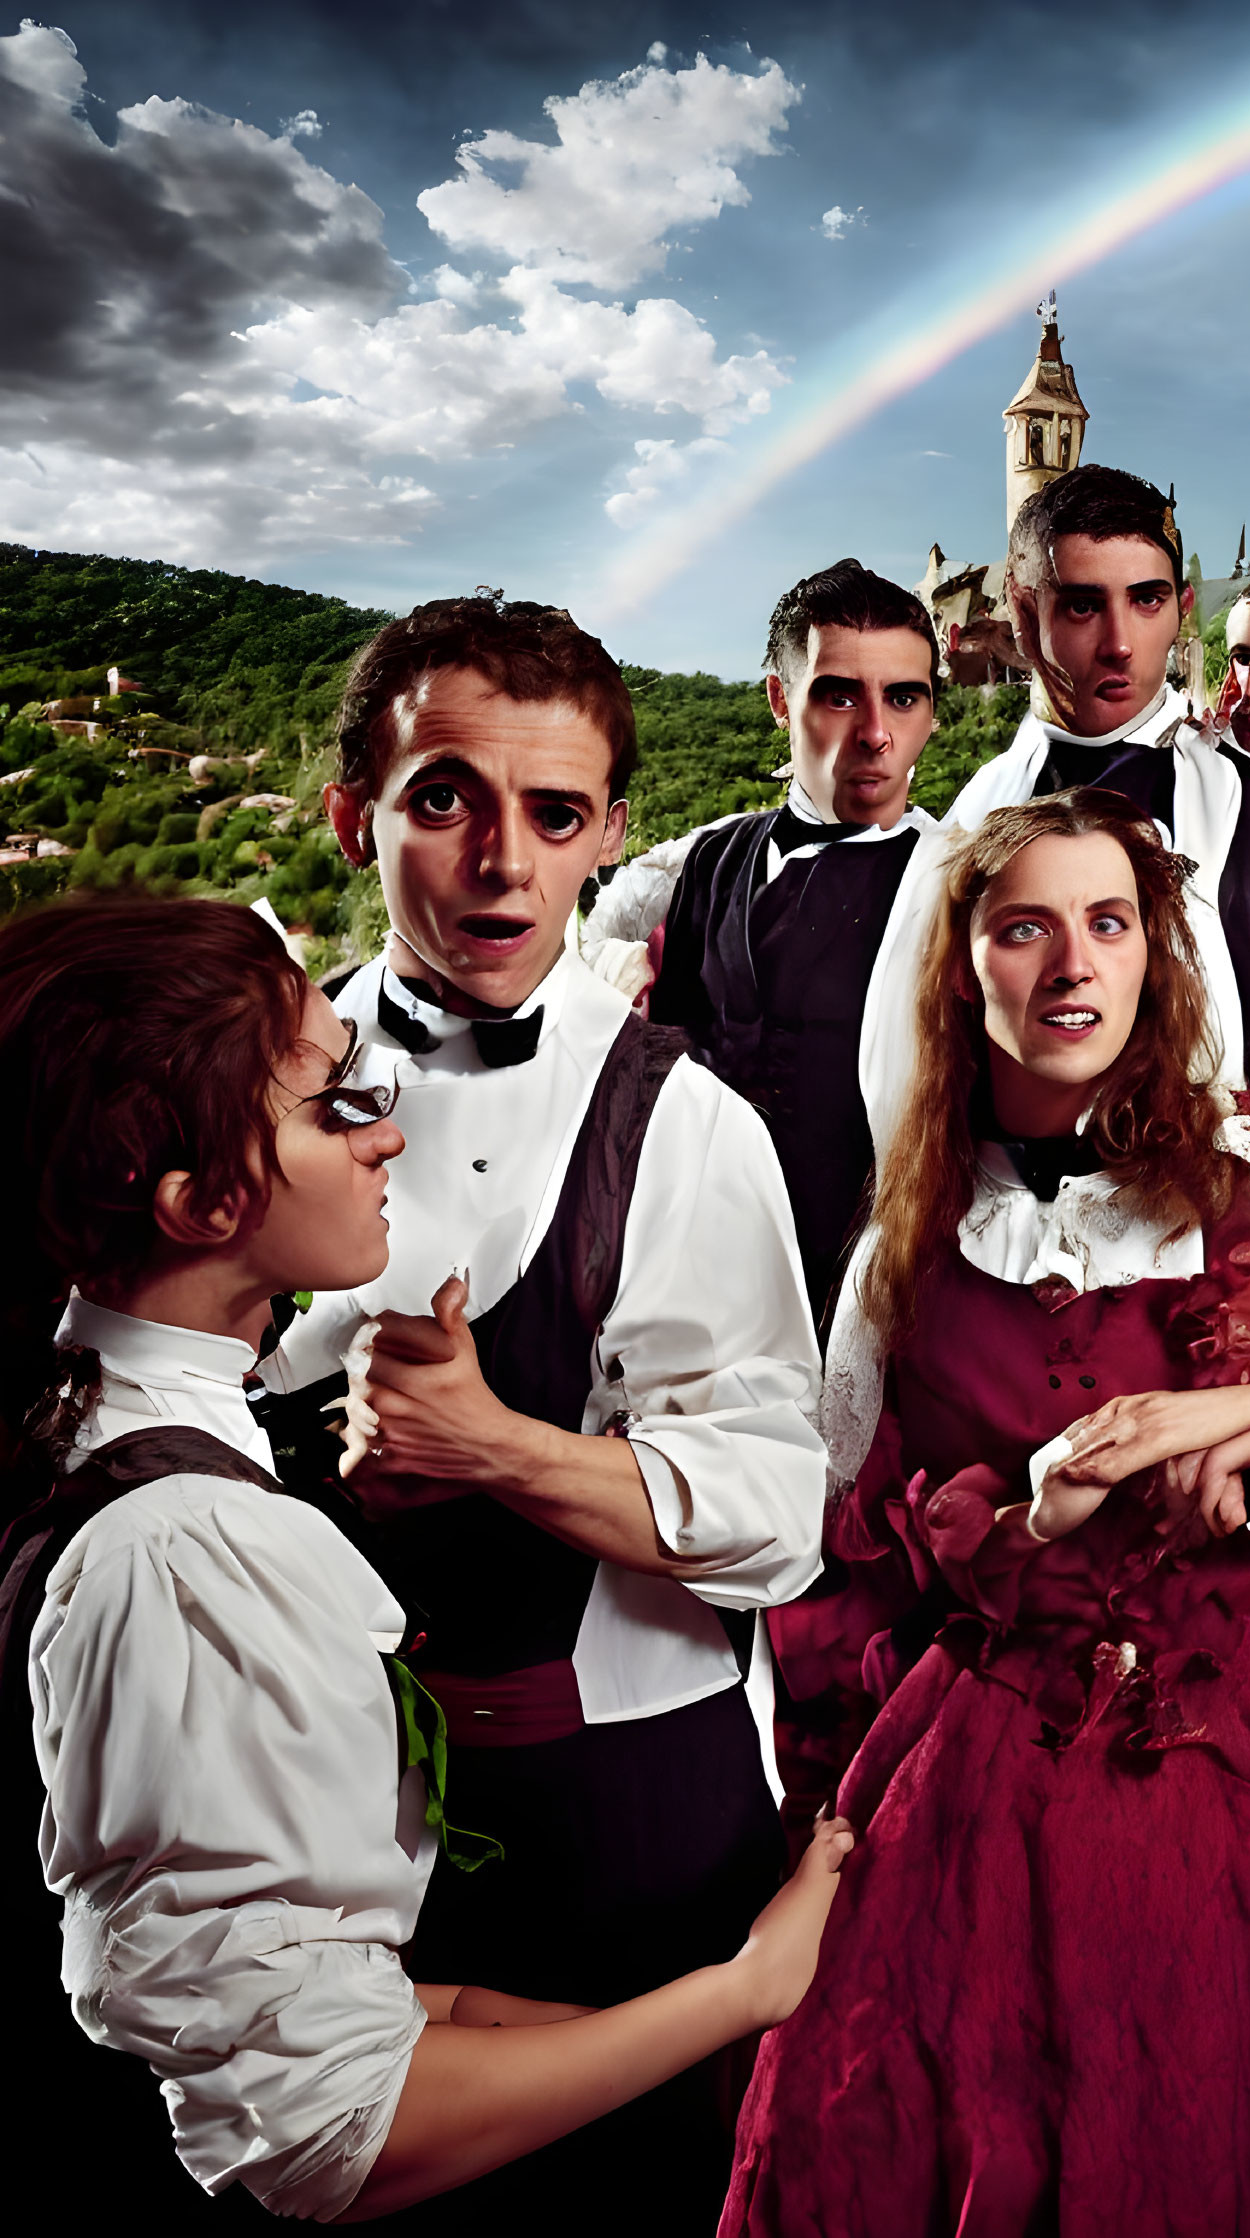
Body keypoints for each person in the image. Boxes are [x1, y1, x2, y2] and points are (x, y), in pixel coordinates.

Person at [0, 894, 852, 2224]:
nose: (387, 1128)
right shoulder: (192, 1549)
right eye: (330, 1104)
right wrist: (748, 1989)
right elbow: (328, 2128)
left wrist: (666, 2033)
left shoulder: (117, 1425)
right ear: (201, 1197)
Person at [727, 793, 1250, 2236]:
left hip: (1238, 1762)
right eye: (1024, 926)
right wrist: (1029, 1526)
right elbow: (840, 1552)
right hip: (983, 1775)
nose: (1071, 965)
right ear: (963, 965)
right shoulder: (903, 1249)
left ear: (1152, 958)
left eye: (1107, 923)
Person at [254, 595, 827, 2223]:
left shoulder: (691, 1123)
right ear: (355, 813)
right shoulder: (258, 1089)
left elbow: (778, 1521)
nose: (503, 861)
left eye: (554, 813)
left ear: (608, 837)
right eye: (446, 798)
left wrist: (489, 1442)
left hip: (629, 1810)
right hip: (318, 1813)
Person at [859, 467, 1250, 1149]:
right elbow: (908, 1061)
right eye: (1083, 606)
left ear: (1183, 606)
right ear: (1024, 609)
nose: (1120, 642)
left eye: (1147, 601)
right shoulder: (967, 824)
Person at [583, 560, 941, 1320]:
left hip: (868, 1292)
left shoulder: (955, 883)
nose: (876, 733)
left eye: (904, 698)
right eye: (839, 695)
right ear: (781, 699)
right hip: (699, 1274)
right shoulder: (712, 860)